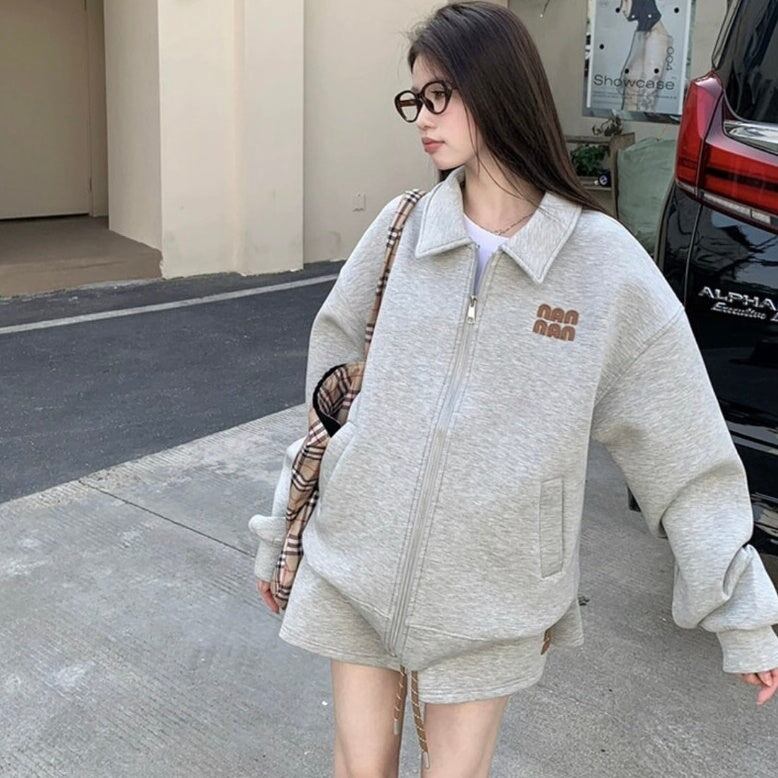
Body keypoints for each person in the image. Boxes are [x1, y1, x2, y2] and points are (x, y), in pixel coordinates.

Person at [250, 3, 778, 775]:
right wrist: (283, 535)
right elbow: (329, 406)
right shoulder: (401, 230)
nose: (422, 118)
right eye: (414, 99)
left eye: (439, 95)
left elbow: (682, 447)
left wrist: (743, 613)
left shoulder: (602, 266)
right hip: (354, 563)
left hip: (491, 597)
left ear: (497, 89)